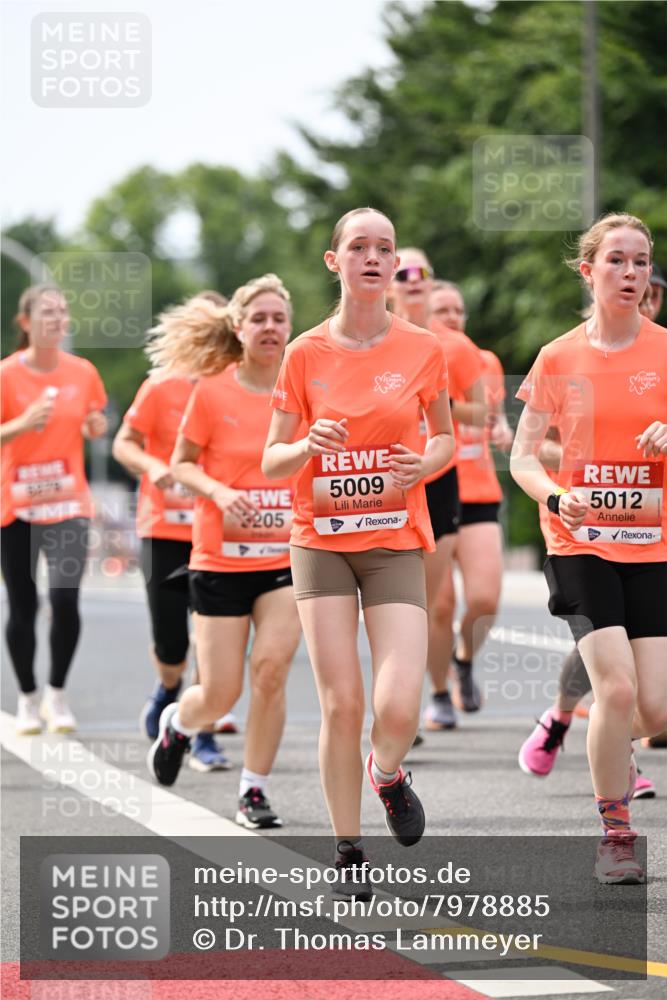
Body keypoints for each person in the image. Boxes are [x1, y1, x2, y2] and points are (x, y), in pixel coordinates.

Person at [262, 209, 455, 895]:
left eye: (384, 248)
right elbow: (271, 458)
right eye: (358, 247)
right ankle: (348, 849)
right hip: (320, 543)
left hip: (394, 540)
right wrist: (305, 446)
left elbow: (444, 439)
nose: (373, 258)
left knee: (397, 706)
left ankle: (388, 773)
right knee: (342, 704)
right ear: (332, 261)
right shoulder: (305, 353)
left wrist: (421, 467)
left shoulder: (421, 348)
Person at [510, 212, 667, 884]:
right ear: (588, 270)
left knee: (653, 710)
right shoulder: (558, 357)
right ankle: (615, 834)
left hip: (653, 541)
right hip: (579, 540)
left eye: (639, 262)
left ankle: (602, 745)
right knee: (616, 685)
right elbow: (521, 457)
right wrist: (553, 496)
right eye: (616, 261)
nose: (629, 273)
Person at [147, 275, 302, 829]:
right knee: (219, 693)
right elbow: (182, 461)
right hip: (219, 559)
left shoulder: (304, 389)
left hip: (286, 558)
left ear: (289, 327)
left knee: (270, 671)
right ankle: (180, 725)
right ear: (238, 329)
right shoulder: (212, 390)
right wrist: (218, 491)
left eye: (278, 318)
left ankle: (253, 790)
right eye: (258, 318)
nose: (269, 327)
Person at [112, 290, 232, 772]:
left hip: (219, 533)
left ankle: (202, 736)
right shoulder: (161, 386)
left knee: (213, 634)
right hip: (164, 525)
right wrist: (152, 467)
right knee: (172, 642)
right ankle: (166, 689)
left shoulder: (237, 384)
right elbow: (124, 442)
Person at [518, 429, 656, 799]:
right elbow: (523, 448)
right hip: (580, 529)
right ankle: (573, 725)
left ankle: (603, 728)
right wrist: (580, 456)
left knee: (628, 652)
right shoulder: (565, 374)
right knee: (608, 645)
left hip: (645, 525)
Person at [1, 284, 107, 734]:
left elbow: (94, 420)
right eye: (47, 312)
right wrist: (20, 425)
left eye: (62, 312)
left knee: (65, 600)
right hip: (16, 506)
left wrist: (95, 426)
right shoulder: (6, 376)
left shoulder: (83, 372)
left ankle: (56, 695)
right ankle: (26, 697)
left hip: (67, 503)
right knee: (23, 605)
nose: (57, 319)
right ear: (25, 322)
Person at [390, 252, 485, 730]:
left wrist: (433, 403)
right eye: (401, 273)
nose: (412, 281)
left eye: (421, 273)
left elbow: (480, 412)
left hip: (435, 476)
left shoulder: (447, 347)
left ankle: (429, 692)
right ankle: (409, 702)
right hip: (379, 481)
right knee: (393, 602)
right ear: (387, 283)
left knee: (427, 602)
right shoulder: (364, 339)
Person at [427, 281, 513, 715]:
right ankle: (440, 693)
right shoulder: (418, 361)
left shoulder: (486, 363)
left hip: (478, 491)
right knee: (438, 606)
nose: (452, 317)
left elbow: (494, 417)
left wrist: (503, 432)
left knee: (484, 599)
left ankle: (464, 660)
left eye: (458, 309)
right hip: (435, 489)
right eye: (442, 309)